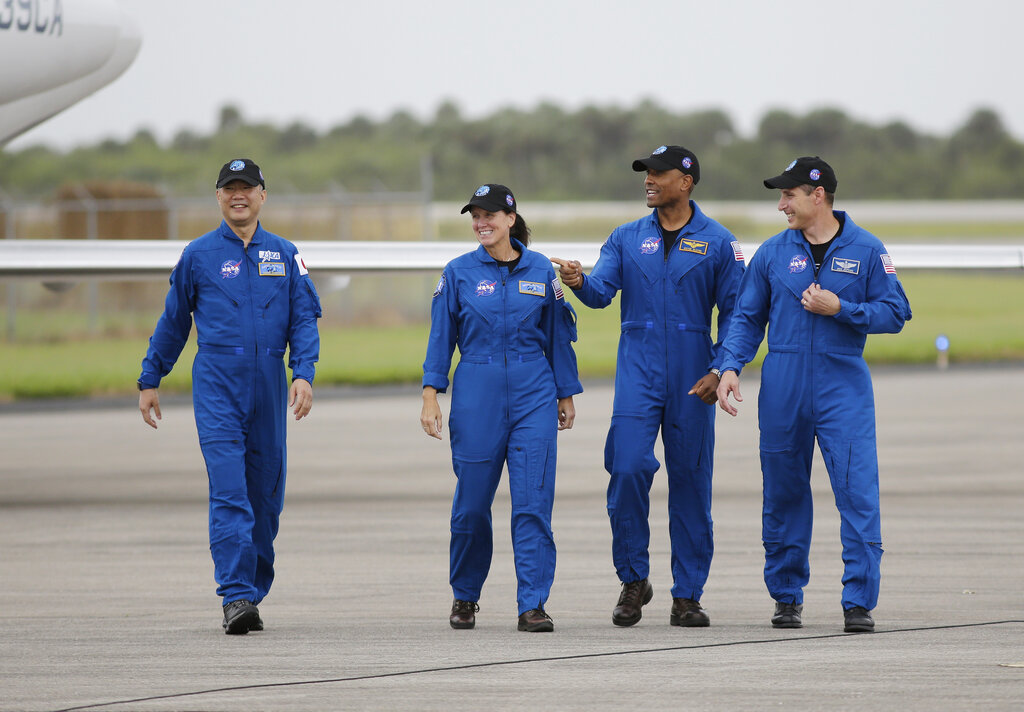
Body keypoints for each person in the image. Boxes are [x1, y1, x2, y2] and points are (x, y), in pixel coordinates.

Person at [715, 156, 912, 633]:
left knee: (856, 492)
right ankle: (786, 596)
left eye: (789, 195)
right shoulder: (771, 253)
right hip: (782, 384)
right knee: (783, 493)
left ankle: (858, 601)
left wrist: (843, 308)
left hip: (842, 384)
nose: (781, 204)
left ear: (817, 195)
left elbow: (896, 311)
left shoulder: (866, 250)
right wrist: (729, 365)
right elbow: (746, 317)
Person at [552, 145, 745, 628]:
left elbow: (739, 315)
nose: (648, 180)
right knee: (628, 468)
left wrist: (721, 368)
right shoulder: (625, 237)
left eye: (658, 173)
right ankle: (634, 579)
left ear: (686, 181)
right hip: (638, 373)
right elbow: (600, 295)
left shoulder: (719, 243)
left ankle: (688, 595)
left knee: (691, 484)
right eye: (645, 173)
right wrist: (579, 280)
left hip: (693, 375)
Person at [138, 158, 322, 635]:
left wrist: (303, 372)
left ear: (263, 194)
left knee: (265, 497)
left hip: (269, 379)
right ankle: (236, 594)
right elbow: (174, 322)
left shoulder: (285, 254)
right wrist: (150, 377)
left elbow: (304, 319)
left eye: (247, 188)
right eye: (229, 189)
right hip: (218, 380)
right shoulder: (197, 256)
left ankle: (252, 588)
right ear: (218, 197)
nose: (238, 195)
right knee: (230, 490)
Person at [421, 184, 582, 633]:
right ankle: (465, 595)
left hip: (534, 392)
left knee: (532, 502)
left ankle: (532, 604)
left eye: (490, 215)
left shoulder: (541, 272)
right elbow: (440, 339)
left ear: (511, 219)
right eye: (475, 216)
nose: (481, 223)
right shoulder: (457, 273)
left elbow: (558, 336)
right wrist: (431, 393)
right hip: (476, 391)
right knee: (472, 505)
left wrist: (565, 392)